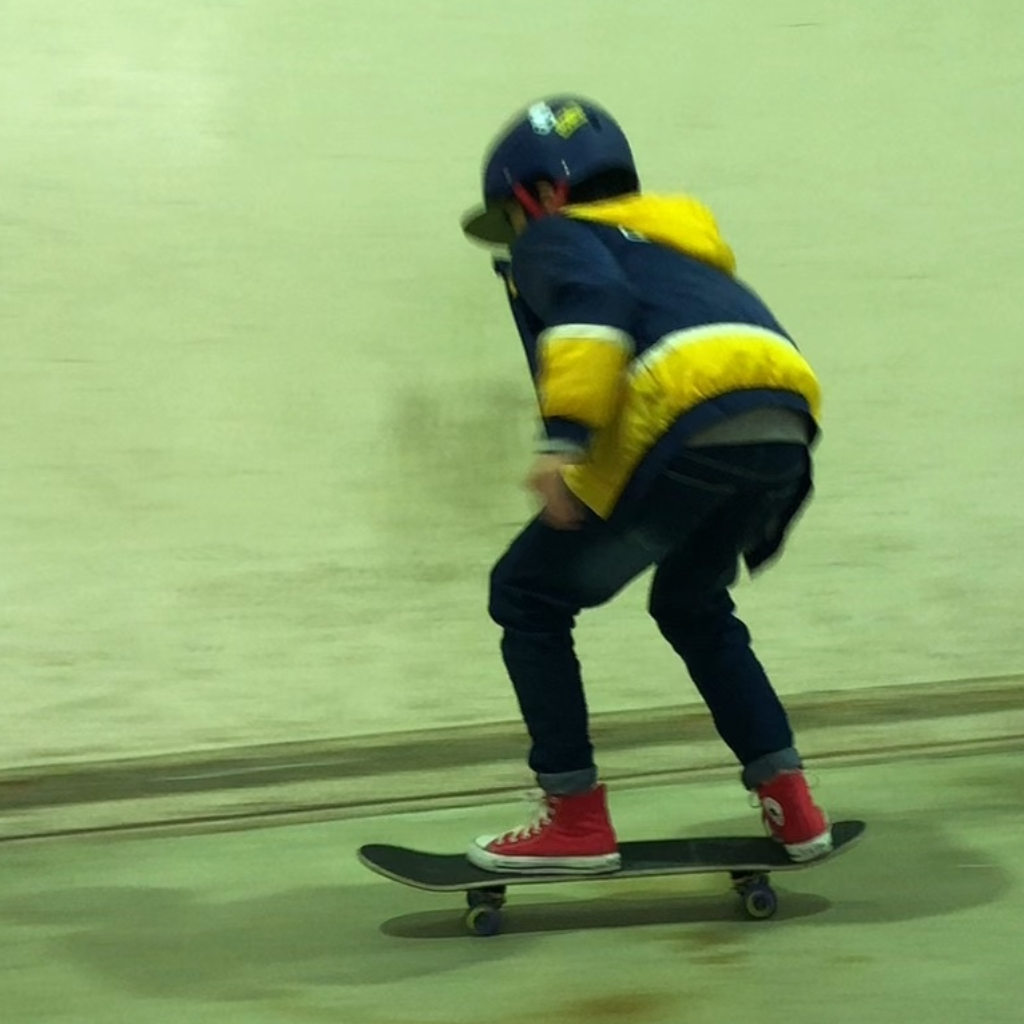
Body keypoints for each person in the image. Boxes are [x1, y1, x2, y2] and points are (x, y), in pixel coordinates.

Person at [460, 95, 832, 874]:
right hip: (781, 424)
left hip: (686, 423)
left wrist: (564, 441)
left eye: (513, 216)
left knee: (526, 595)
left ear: (543, 194)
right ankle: (792, 804)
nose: (518, 235)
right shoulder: (678, 245)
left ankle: (573, 817)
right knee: (693, 603)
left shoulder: (558, 236)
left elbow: (594, 309)